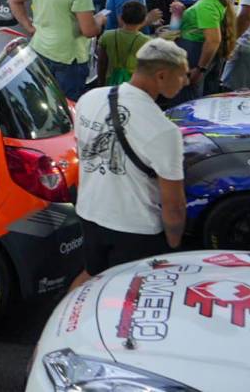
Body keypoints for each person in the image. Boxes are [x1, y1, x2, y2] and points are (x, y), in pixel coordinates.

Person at [71, 39, 187, 285]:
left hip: (90, 211)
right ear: (162, 76)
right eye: (182, 75)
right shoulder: (164, 131)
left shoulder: (89, 98)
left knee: (91, 277)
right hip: (135, 227)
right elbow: (174, 206)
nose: (185, 82)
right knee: (130, 293)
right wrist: (174, 246)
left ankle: (65, 318)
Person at [8, 0, 105, 101]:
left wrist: (28, 26)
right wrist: (99, 20)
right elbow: (88, 31)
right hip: (69, 60)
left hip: (39, 50)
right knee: (67, 108)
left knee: (42, 104)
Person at [175, 0, 236, 102]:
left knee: (188, 99)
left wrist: (199, 69)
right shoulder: (213, 0)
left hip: (195, 53)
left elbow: (213, 40)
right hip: (202, 53)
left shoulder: (206, 5)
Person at [98, 1, 151, 85]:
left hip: (109, 82)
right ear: (143, 20)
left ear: (121, 18)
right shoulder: (146, 41)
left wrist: (100, 81)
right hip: (134, 84)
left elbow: (101, 62)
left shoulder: (107, 36)